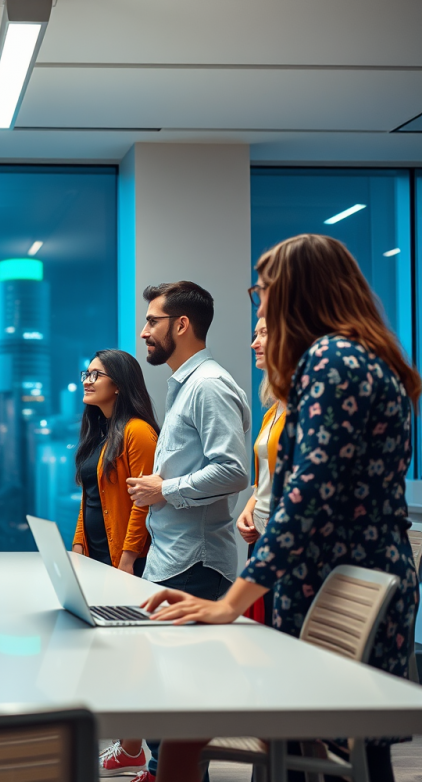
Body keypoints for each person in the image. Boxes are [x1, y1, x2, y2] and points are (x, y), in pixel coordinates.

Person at [141, 235, 421, 782]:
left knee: (336, 753)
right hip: (340, 577)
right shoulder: (355, 356)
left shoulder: (330, 360)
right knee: (346, 757)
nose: (261, 302)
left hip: (337, 583)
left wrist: (229, 604)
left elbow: (306, 498)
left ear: (297, 292)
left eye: (264, 289)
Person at [125, 281, 251, 782]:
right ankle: (158, 770)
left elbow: (234, 471)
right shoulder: (185, 384)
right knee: (165, 687)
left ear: (181, 325)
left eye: (152, 322)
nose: (143, 332)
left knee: (182, 696)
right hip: (173, 557)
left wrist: (166, 489)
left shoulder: (209, 385)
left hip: (197, 562)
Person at [69, 349, 159, 777]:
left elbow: (142, 505)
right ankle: (130, 748)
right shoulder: (100, 432)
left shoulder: (137, 432)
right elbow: (90, 502)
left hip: (126, 563)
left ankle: (134, 749)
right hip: (98, 561)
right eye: (86, 373)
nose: (87, 380)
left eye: (96, 374)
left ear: (119, 384)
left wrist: (126, 563)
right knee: (113, 656)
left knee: (132, 657)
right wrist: (76, 553)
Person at [236, 317, 286, 624]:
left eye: (264, 334)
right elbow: (264, 478)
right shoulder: (272, 410)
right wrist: (250, 506)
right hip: (262, 534)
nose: (254, 343)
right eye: (255, 333)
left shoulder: (303, 407)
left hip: (283, 539)